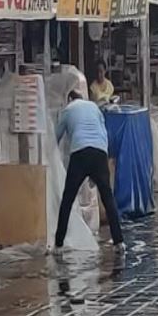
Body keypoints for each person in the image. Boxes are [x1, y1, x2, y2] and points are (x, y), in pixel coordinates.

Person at [54, 79, 123, 252]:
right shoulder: (94, 107)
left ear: (70, 100)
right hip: (100, 152)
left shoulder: (68, 110)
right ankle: (119, 242)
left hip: (80, 152)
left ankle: (59, 244)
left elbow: (56, 137)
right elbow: (103, 132)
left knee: (68, 199)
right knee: (108, 198)